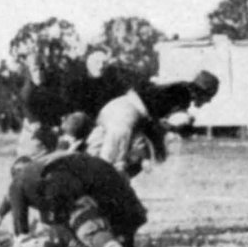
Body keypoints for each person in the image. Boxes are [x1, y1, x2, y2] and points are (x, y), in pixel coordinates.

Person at [4, 152, 147, 247]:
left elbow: (22, 236)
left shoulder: (20, 182)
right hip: (104, 171)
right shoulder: (45, 163)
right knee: (109, 221)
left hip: (68, 181)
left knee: (83, 226)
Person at [85, 70, 219, 178]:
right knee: (112, 162)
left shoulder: (180, 89)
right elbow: (153, 116)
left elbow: (152, 112)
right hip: (126, 113)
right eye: (209, 96)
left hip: (116, 108)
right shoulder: (183, 94)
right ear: (202, 91)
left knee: (91, 158)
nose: (209, 101)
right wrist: (162, 140)